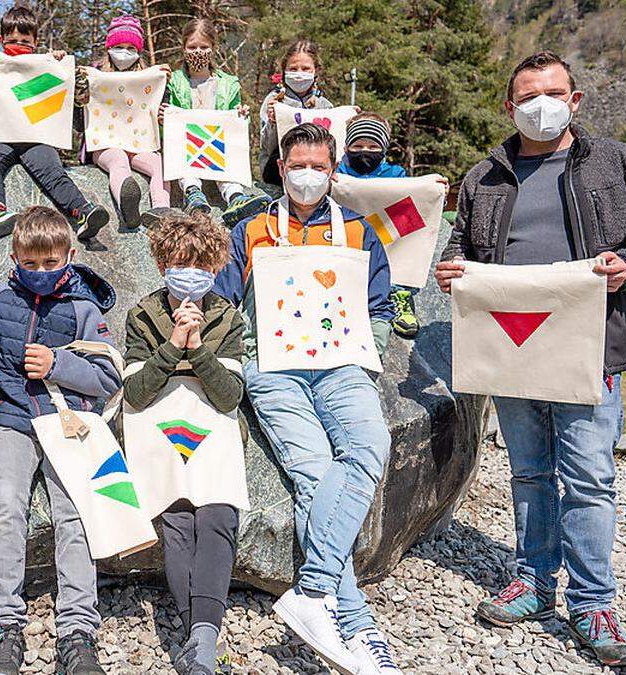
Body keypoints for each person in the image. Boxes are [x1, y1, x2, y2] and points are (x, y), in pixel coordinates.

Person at [435, 51, 626, 669]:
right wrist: (452, 273)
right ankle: (535, 581)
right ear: (509, 106)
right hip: (510, 345)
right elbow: (462, 245)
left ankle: (595, 601)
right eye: (527, 95)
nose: (540, 104)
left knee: (589, 477)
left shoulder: (619, 163)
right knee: (530, 472)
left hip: (587, 343)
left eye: (553, 92)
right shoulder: (482, 176)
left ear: (574, 100)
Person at [213, 122, 403, 675]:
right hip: (274, 368)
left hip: (343, 366)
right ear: (281, 163)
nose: (308, 175)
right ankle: (356, 623)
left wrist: (369, 361)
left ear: (333, 168)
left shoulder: (359, 233)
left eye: (319, 166)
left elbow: (382, 307)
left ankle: (314, 592)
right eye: (299, 164)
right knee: (314, 474)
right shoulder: (250, 230)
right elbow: (224, 301)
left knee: (369, 445)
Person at [0, 206, 119, 675]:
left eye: (51, 263)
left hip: (70, 424)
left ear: (70, 255)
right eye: (30, 264)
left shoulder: (85, 310)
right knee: (6, 506)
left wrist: (58, 363)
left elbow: (107, 378)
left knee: (75, 516)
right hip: (13, 421)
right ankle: (4, 625)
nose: (41, 273)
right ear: (14, 257)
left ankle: (78, 631)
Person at [122, 211, 244, 675]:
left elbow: (230, 395)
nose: (188, 272)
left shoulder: (226, 317)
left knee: (217, 515)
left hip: (211, 426)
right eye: (178, 261)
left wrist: (198, 349)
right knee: (176, 519)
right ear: (161, 264)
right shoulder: (143, 314)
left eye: (200, 264)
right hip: (157, 425)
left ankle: (201, 641)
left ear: (214, 270)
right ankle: (204, 640)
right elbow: (134, 392)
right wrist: (173, 344)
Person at [0, 5, 110, 244]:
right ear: (1, 40)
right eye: (12, 40)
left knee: (53, 172)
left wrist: (65, 68)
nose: (19, 45)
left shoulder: (46, 64)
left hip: (35, 138)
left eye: (25, 40)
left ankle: (82, 211)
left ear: (36, 41)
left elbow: (83, 95)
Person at [165, 19, 267, 226]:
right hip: (187, 144)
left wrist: (240, 116)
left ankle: (235, 197)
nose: (198, 52)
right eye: (192, 47)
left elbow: (235, 126)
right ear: (183, 48)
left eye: (204, 47)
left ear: (214, 48)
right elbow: (168, 123)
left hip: (217, 144)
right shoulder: (174, 81)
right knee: (185, 163)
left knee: (226, 163)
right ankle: (193, 193)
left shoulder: (228, 84)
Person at [85, 13, 172, 227]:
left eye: (131, 48)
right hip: (105, 144)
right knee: (118, 161)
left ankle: (161, 210)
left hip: (139, 145)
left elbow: (161, 112)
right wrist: (81, 94)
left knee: (161, 165)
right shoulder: (94, 75)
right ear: (109, 48)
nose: (125, 52)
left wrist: (163, 87)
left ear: (138, 52)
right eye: (120, 46)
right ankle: (127, 204)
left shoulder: (149, 78)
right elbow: (80, 123)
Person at [337, 114, 419, 340]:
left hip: (385, 233)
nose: (365, 151)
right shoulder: (338, 173)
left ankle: (400, 293)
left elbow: (413, 202)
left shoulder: (396, 174)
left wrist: (432, 187)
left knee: (410, 228)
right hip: (348, 235)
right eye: (358, 145)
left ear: (383, 150)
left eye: (373, 146)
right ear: (346, 148)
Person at [259, 41, 334, 186]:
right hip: (278, 174)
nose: (299, 73)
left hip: (314, 172)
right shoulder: (273, 101)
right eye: (293, 69)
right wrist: (273, 123)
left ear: (316, 70)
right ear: (284, 70)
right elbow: (267, 147)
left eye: (305, 69)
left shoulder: (324, 105)